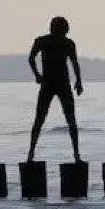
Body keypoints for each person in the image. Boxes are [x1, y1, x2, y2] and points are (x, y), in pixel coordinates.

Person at [27, 16, 84, 163]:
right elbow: (31, 58)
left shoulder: (65, 43)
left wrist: (78, 81)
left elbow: (74, 62)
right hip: (52, 83)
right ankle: (31, 154)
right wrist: (37, 75)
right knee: (43, 119)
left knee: (67, 119)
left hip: (59, 83)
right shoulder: (45, 41)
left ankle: (76, 155)